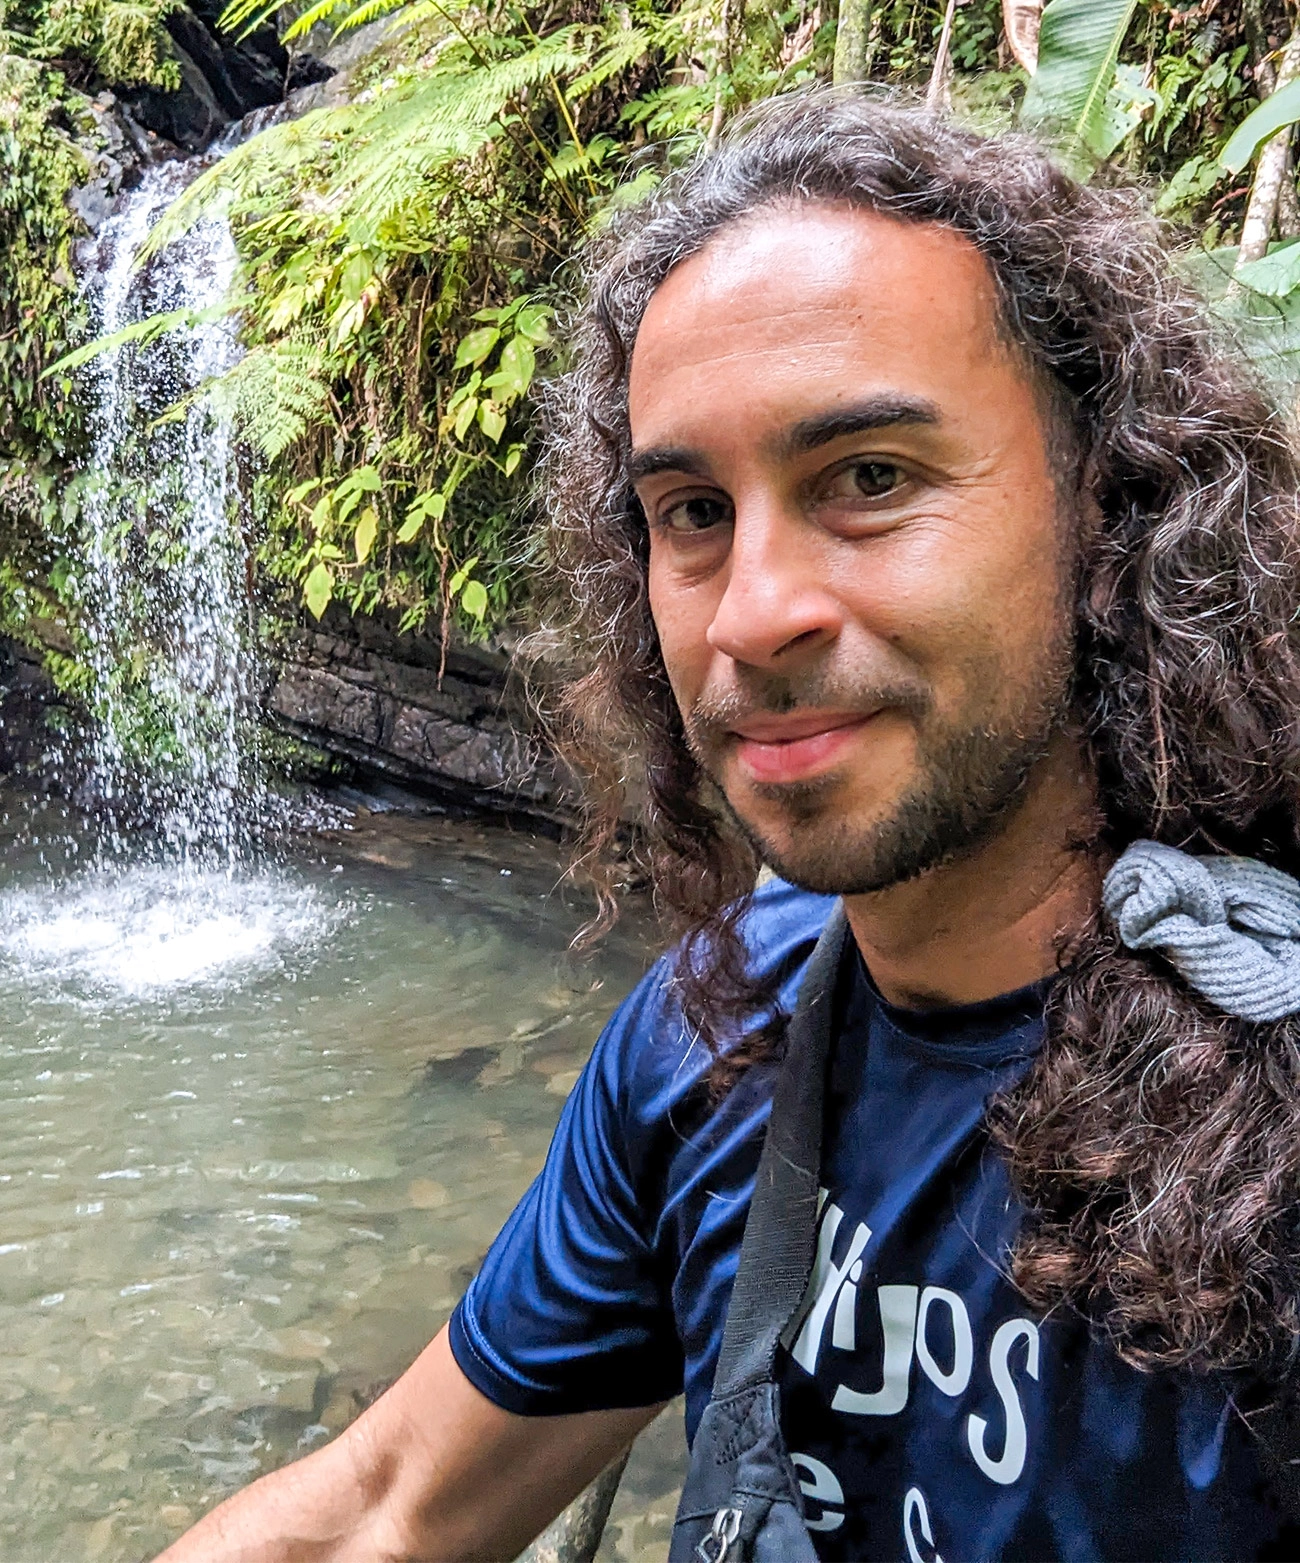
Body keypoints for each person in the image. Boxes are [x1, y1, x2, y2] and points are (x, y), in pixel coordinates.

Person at [158, 88, 1300, 1562]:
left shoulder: (1263, 1093)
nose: (753, 615)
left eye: (869, 479)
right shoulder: (720, 1031)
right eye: (692, 511)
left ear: (1105, 501)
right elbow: (389, 1505)